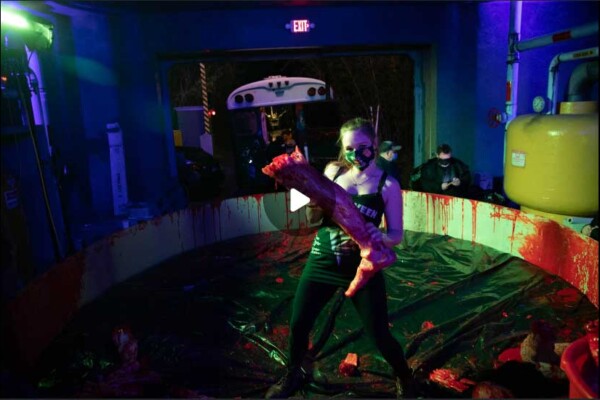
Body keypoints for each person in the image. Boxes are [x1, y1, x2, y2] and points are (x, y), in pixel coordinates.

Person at [265, 118, 415, 399]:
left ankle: (405, 376)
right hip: (321, 261)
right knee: (299, 323)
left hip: (363, 267)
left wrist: (381, 236)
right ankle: (293, 373)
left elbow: (396, 234)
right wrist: (304, 194)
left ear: (374, 143)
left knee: (379, 334)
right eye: (349, 148)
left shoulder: (388, 185)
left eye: (362, 146)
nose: (356, 154)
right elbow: (311, 218)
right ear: (342, 149)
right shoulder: (333, 172)